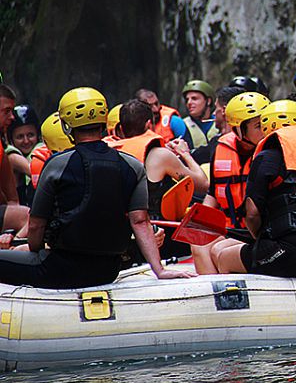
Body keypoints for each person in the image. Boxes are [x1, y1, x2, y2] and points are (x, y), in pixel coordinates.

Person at [0, 87, 194, 288]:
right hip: (108, 271)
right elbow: (140, 221)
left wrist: (37, 252)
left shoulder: (57, 164)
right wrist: (159, 270)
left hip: (60, 269)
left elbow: (36, 225)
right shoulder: (132, 165)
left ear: (67, 126)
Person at [210, 100, 296, 276]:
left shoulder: (267, 156)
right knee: (225, 246)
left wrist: (260, 239)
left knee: (224, 258)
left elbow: (252, 213)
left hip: (293, 251)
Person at [114, 99, 209, 259]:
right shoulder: (160, 155)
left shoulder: (111, 153)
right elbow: (202, 184)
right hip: (159, 235)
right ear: (149, 125)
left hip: (125, 236)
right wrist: (185, 153)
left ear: (121, 129)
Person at [193, 91, 270, 274]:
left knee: (219, 250)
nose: (265, 130)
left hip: (260, 229)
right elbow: (214, 192)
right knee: (198, 242)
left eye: (265, 123)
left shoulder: (270, 151)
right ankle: (213, 289)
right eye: (258, 126)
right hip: (233, 228)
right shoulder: (221, 147)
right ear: (238, 129)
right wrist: (199, 221)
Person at [0, 85, 29, 231]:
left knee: (30, 217)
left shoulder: (2, 150)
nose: (12, 117)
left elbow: (13, 200)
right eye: (7, 111)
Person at [5, 104, 41, 206]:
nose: (26, 141)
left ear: (38, 135)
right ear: (11, 139)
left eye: (30, 135)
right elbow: (35, 173)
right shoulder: (11, 155)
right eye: (20, 137)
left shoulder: (42, 149)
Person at [179, 79, 218, 149]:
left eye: (194, 98)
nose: (189, 102)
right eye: (187, 100)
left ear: (208, 101)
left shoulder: (220, 122)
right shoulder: (182, 125)